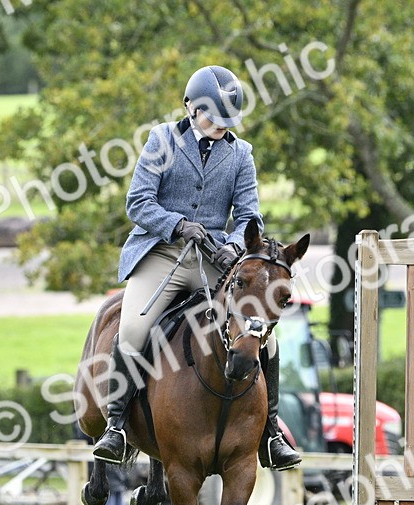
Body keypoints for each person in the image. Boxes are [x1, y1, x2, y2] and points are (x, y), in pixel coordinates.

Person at [92, 65, 301, 471]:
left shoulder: (240, 154)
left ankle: (271, 434)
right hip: (162, 253)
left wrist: (234, 246)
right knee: (133, 329)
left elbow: (249, 215)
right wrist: (177, 225)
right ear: (190, 106)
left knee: (265, 337)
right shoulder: (162, 141)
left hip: (213, 259)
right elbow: (138, 202)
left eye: (227, 120)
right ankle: (116, 426)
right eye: (213, 118)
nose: (221, 127)